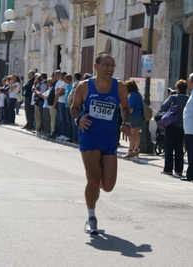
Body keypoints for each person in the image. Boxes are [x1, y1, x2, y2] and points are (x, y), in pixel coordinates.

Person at [70, 52, 131, 235]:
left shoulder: (119, 87)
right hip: (89, 135)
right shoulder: (84, 87)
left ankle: (94, 186)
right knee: (94, 178)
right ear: (96, 67)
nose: (110, 68)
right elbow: (73, 107)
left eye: (112, 65)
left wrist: (126, 123)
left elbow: (125, 109)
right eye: (106, 65)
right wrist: (78, 120)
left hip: (109, 137)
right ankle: (91, 218)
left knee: (109, 185)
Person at [159, 79, 189, 176]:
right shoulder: (188, 98)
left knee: (169, 148)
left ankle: (168, 169)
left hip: (171, 125)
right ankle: (179, 170)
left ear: (178, 88)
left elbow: (163, 107)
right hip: (182, 126)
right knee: (179, 148)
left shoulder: (173, 98)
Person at [123, 79, 144, 158]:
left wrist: (126, 117)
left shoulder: (132, 96)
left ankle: (130, 151)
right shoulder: (138, 94)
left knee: (131, 134)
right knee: (137, 133)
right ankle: (136, 150)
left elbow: (130, 109)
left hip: (134, 116)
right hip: (140, 115)